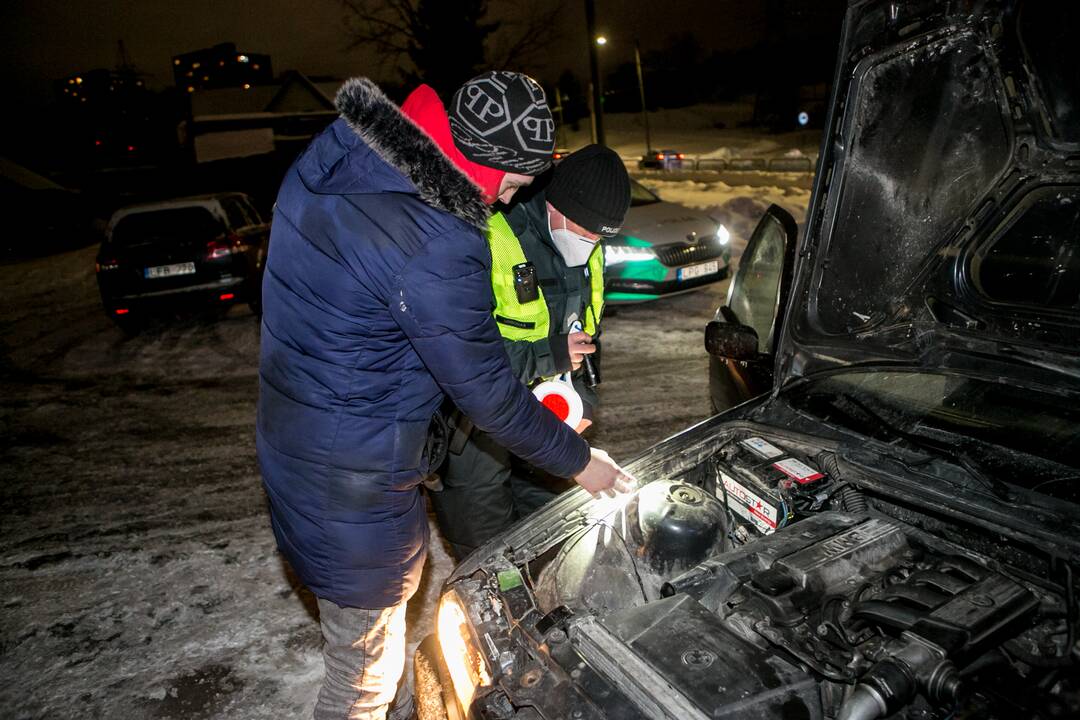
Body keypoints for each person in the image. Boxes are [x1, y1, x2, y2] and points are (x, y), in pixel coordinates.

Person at [256, 72, 633, 720]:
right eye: (514, 184)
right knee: (361, 675)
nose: (508, 200)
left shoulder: (347, 151)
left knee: (378, 644)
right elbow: (488, 393)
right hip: (351, 475)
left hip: (299, 433)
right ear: (488, 163)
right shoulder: (436, 237)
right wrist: (584, 464)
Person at [431, 144, 631, 561]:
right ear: (555, 205)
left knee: (552, 539)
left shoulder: (589, 247)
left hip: (549, 422)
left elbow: (588, 335)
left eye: (600, 237)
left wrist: (586, 401)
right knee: (485, 549)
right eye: (585, 231)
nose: (591, 243)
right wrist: (549, 354)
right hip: (475, 428)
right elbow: (459, 354)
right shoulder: (487, 236)